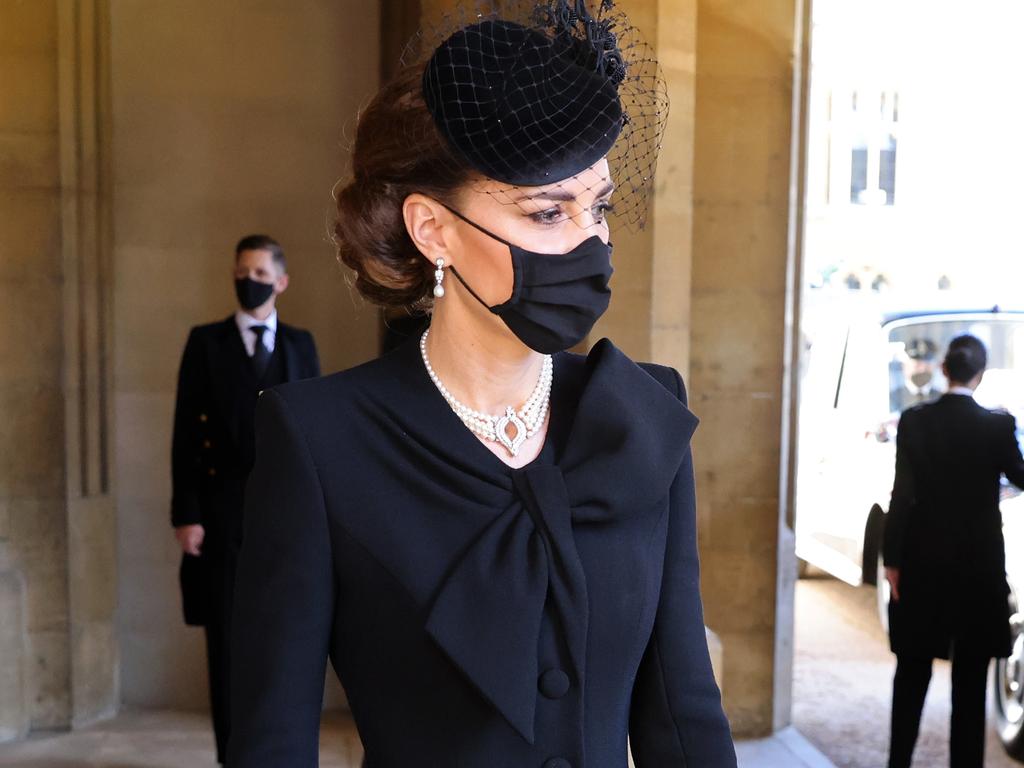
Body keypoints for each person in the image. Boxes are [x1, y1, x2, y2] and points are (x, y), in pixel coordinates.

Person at [228, 3, 736, 766]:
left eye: (595, 209)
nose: (590, 246)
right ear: (432, 228)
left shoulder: (639, 419)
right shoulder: (321, 441)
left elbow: (685, 715)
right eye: (546, 212)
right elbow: (273, 740)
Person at [170, 234, 320, 764]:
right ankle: (232, 755)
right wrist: (186, 515)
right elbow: (186, 432)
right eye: (242, 272)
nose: (249, 282)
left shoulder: (301, 345)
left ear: (281, 282)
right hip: (220, 511)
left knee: (285, 635)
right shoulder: (205, 342)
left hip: (287, 515)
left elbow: (316, 436)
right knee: (228, 639)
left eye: (260, 274)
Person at [883, 334, 1024, 768]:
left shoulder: (915, 421)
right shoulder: (998, 426)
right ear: (979, 375)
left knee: (911, 675)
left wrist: (892, 561)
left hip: (922, 564)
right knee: (970, 683)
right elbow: (1020, 477)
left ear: (945, 369)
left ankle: (899, 763)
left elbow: (901, 496)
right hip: (977, 572)